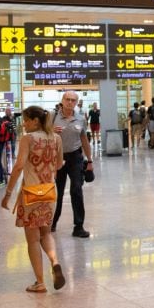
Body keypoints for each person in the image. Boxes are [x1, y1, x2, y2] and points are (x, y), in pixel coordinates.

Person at [2, 106, 66, 293]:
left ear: (35, 121)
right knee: (46, 233)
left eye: (26, 120)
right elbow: (60, 164)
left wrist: (8, 193)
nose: (24, 123)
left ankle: (40, 282)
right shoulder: (56, 138)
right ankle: (55, 262)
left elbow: (19, 165)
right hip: (49, 191)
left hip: (31, 193)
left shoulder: (28, 139)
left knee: (32, 240)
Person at [52, 91, 93, 238]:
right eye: (67, 99)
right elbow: (40, 134)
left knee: (76, 190)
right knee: (58, 192)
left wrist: (90, 160)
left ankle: (79, 226)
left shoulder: (80, 119)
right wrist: (50, 131)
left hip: (75, 157)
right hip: (57, 157)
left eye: (73, 100)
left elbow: (84, 141)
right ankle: (52, 222)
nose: (70, 102)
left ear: (76, 103)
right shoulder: (52, 117)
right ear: (62, 100)